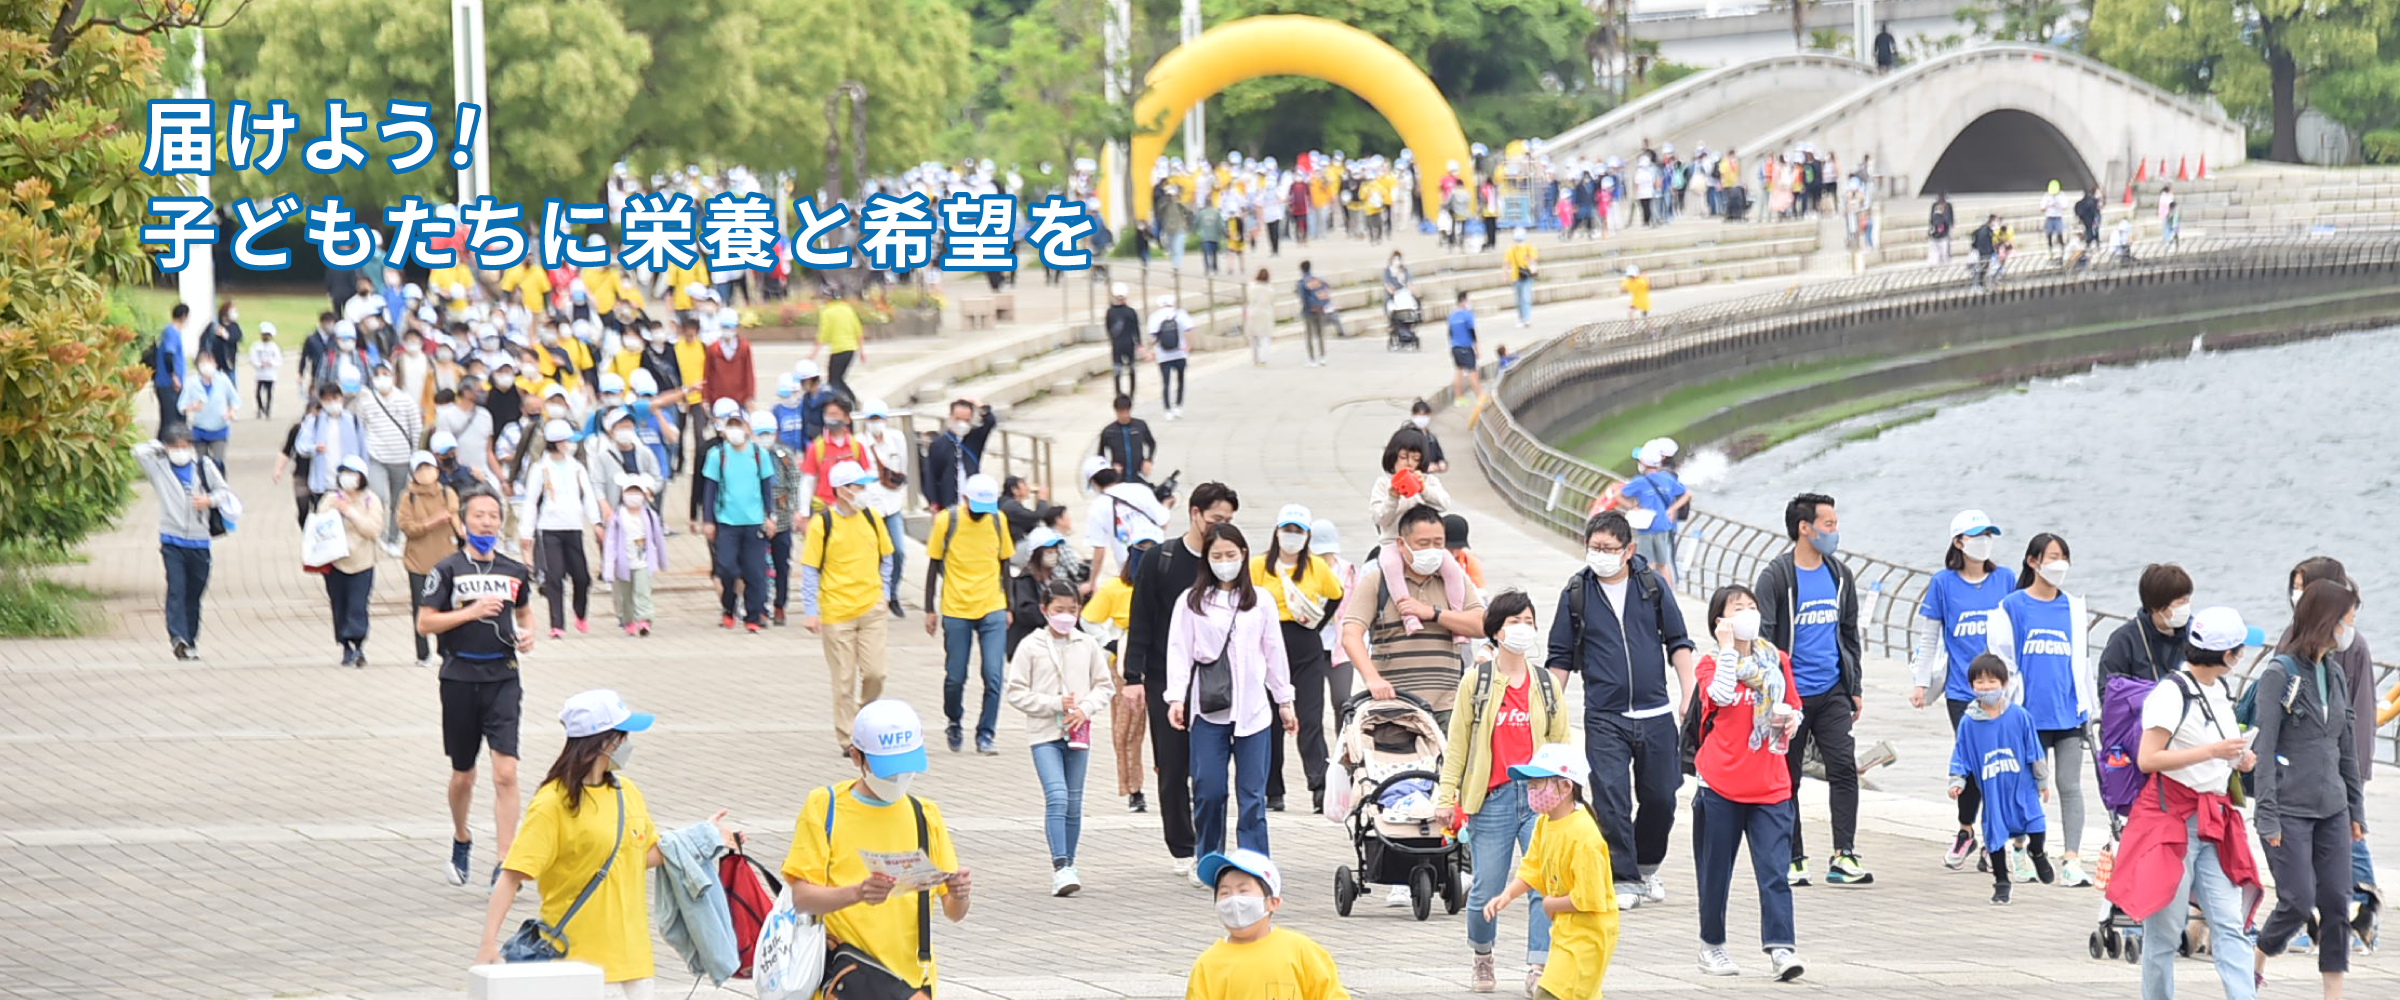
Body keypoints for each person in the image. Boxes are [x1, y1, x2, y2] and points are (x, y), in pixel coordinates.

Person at [475, 689, 741, 997]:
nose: (627, 744)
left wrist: (707, 838)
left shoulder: (626, 792)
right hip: (579, 966)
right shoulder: (552, 803)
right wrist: (487, 944)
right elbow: (512, 875)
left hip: (636, 964)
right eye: (623, 735)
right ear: (603, 741)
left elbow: (641, 855)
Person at [2106, 606, 2262, 1000]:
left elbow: (2214, 752)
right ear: (2227, 655)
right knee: (2164, 929)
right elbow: (2149, 759)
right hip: (2170, 823)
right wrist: (2213, 751)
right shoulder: (2170, 693)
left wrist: (2237, 759)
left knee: (2229, 923)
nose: (2242, 655)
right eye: (2240, 649)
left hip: (2214, 819)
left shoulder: (2218, 690)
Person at [778, 700, 974, 999]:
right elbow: (802, 898)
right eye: (888, 769)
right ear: (857, 757)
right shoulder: (825, 807)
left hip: (909, 984)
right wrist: (857, 893)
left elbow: (953, 911)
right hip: (845, 981)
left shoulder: (925, 815)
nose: (897, 778)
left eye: (906, 766)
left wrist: (960, 894)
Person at [1548, 509, 1695, 910]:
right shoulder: (1576, 592)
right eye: (1593, 548)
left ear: (1628, 550)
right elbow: (1559, 657)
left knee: (1662, 797)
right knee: (1611, 797)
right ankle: (1623, 877)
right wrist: (1551, 708)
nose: (1599, 555)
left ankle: (1647, 866)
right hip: (1604, 714)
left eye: (1608, 548)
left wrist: (1689, 692)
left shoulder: (1652, 586)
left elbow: (1679, 642)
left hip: (1655, 713)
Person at [1438, 590, 1571, 994]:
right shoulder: (1476, 682)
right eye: (1514, 621)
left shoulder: (1546, 684)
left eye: (1528, 620)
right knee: (1485, 891)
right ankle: (1482, 955)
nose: (1523, 628)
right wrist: (1447, 798)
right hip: (1491, 799)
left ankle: (1538, 965)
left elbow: (1560, 741)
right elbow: (1458, 743)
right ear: (1496, 630)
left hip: (1539, 801)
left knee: (1544, 884)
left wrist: (1568, 796)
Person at [2251, 581, 2367, 996]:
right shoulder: (2279, 674)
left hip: (2333, 808)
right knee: (2297, 901)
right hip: (2288, 809)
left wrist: (2356, 812)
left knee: (2337, 902)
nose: (2351, 626)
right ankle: (2258, 957)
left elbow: (2347, 749)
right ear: (2327, 620)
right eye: (2348, 617)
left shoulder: (2333, 673)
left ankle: (2332, 992)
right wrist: (2267, 815)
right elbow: (2263, 751)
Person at [1752, 492, 1869, 887]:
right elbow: (1764, 639)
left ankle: (1844, 856)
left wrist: (1854, 686)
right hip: (1790, 697)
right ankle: (1793, 858)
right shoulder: (1776, 577)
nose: (1835, 532)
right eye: (1829, 524)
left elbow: (1849, 633)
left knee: (1843, 768)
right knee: (1787, 778)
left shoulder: (1839, 575)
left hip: (1833, 690)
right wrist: (1773, 695)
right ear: (1806, 528)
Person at [421, 491, 537, 887]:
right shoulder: (448, 569)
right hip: (458, 679)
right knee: (464, 776)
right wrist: (471, 611)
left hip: (503, 677)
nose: (486, 522)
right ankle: (462, 836)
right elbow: (425, 623)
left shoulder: (515, 571)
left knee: (506, 773)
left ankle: (506, 862)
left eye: (493, 516)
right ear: (464, 522)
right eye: (478, 515)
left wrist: (529, 634)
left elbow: (524, 612)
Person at [1690, 584, 1806, 980]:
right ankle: (1712, 946)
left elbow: (1794, 705)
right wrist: (1727, 649)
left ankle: (1781, 948)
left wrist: (1792, 719)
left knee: (1775, 870)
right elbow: (1719, 696)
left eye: (1751, 607)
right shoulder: (1709, 665)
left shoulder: (1777, 661)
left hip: (1770, 784)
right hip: (1721, 784)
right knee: (1715, 871)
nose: (1748, 614)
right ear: (1719, 620)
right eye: (1737, 608)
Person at [1125, 481, 1239, 876]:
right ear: (1194, 514)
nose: (1220, 527)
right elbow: (1140, 619)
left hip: (1216, 681)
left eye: (1227, 520)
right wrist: (1132, 676)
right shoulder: (1162, 558)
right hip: (1164, 678)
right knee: (1172, 767)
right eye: (1215, 519)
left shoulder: (1224, 561)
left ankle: (1211, 846)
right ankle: (1182, 847)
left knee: (1210, 770)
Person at [1166, 523, 1298, 862]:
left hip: (1253, 711)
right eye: (1217, 555)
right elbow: (1179, 650)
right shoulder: (1192, 602)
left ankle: (1255, 862)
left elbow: (1273, 652)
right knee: (1209, 789)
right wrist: (1176, 697)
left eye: (1231, 554)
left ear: (1243, 555)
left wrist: (1284, 699)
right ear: (1206, 559)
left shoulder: (1261, 601)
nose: (1224, 561)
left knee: (1252, 795)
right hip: (1209, 709)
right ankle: (1208, 856)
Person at [1982, 531, 2095, 886]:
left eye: (2064, 556)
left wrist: (2089, 707)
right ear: (2033, 562)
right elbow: (2001, 661)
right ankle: (2020, 847)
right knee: (2024, 786)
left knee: (2069, 785)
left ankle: (2072, 859)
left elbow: (2083, 661)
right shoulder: (2011, 607)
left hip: (2068, 714)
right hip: (2027, 715)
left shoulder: (2074, 608)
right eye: (2052, 556)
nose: (2059, 564)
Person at [1908, 509, 2012, 870]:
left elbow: (2018, 631)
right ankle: (1967, 831)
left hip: (2002, 691)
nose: (1984, 541)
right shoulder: (1943, 583)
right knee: (1972, 761)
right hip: (1961, 691)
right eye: (1976, 535)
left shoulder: (2006, 580)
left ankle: (1993, 839)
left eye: (1988, 534)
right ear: (1959, 542)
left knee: (1998, 764)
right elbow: (1930, 635)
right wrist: (1921, 683)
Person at [1480, 742, 1622, 1000]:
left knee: (1549, 994)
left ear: (1566, 787)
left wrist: (1551, 904)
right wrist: (1506, 896)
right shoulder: (1545, 822)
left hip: (1588, 936)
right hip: (1565, 931)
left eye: (1538, 783)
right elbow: (1532, 866)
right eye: (1530, 784)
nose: (1531, 790)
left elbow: (1589, 898)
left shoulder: (1584, 836)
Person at [1004, 579, 1117, 896]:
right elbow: (1016, 692)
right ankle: (1060, 865)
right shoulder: (1031, 646)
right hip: (1044, 734)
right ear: (1044, 610)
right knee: (1057, 795)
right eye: (1059, 610)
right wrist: (1052, 704)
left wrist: (1084, 709)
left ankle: (1071, 862)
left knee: (1074, 801)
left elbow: (1103, 685)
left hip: (1078, 733)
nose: (1066, 615)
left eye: (1072, 609)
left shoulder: (1087, 644)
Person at [1344, 504, 1485, 723]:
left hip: (1446, 708)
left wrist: (1433, 613)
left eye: (1438, 543)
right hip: (1392, 707)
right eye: (1423, 543)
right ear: (1401, 544)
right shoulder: (1377, 582)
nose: (1432, 549)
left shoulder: (1454, 582)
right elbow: (1350, 635)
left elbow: (1481, 625)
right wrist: (1372, 679)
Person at [1252, 506, 1347, 813]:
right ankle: (1272, 790)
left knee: (1309, 717)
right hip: (1267, 644)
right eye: (1287, 530)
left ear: (1307, 536)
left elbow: (1336, 594)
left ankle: (1319, 786)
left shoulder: (1316, 567)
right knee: (1269, 719)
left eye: (1298, 531)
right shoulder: (1257, 566)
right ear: (1277, 530)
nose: (1291, 537)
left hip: (1304, 644)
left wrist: (1316, 626)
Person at [802, 460, 897, 752]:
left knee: (875, 674)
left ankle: (860, 714)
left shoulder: (871, 518)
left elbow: (887, 556)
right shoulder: (823, 524)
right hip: (836, 612)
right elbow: (810, 569)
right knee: (843, 679)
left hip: (871, 607)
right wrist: (811, 611)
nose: (863, 491)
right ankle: (847, 738)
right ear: (842, 490)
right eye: (858, 486)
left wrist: (885, 592)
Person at [1949, 654, 2055, 904]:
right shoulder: (1968, 723)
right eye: (1980, 682)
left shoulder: (2020, 716)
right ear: (1971, 686)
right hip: (1993, 790)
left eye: (1992, 681)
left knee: (2036, 824)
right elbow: (1961, 755)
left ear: (2005, 683)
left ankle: (2037, 852)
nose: (1986, 687)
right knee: (1994, 835)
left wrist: (2042, 781)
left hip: (2022, 785)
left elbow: (2034, 751)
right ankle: (2001, 881)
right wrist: (1957, 781)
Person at [926, 473, 1016, 755]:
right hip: (956, 608)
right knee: (955, 676)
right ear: (965, 500)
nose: (981, 515)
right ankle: (954, 720)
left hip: (992, 606)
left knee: (993, 674)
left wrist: (1009, 605)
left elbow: (1005, 564)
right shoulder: (947, 521)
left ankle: (986, 733)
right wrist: (929, 608)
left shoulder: (998, 520)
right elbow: (933, 565)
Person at [134, 432, 241, 662]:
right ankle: (177, 637)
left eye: (184, 446)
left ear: (191, 446)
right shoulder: (159, 467)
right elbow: (138, 451)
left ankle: (191, 641)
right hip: (172, 540)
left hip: (200, 540)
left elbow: (223, 491)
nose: (180, 451)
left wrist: (208, 500)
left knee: (194, 592)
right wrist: (160, 447)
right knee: (176, 589)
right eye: (175, 447)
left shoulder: (203, 466)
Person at [1189, 850, 1350, 1000]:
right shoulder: (1208, 964)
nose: (1234, 900)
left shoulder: (1301, 951)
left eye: (1243, 890)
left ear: (1272, 902)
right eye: (1225, 893)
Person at [523, 419, 603, 638]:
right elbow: (531, 501)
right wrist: (526, 533)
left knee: (582, 576)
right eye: (566, 440)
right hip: (549, 527)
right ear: (556, 442)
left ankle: (580, 612)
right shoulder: (540, 468)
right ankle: (556, 624)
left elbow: (587, 495)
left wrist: (596, 522)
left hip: (574, 527)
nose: (569, 444)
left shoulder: (577, 468)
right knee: (554, 576)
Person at [701, 406, 776, 632]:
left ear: (747, 428)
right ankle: (728, 606)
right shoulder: (718, 455)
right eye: (730, 425)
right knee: (726, 568)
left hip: (753, 521)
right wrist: (708, 520)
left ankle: (753, 616)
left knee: (755, 572)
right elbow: (710, 490)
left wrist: (769, 516)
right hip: (727, 522)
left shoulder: (758, 454)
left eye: (738, 425)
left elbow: (766, 487)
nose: (735, 430)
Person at [317, 456, 383, 667]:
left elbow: (373, 529)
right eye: (344, 473)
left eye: (352, 474)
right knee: (340, 603)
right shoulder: (330, 498)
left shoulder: (371, 500)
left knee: (358, 604)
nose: (348, 478)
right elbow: (319, 525)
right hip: (335, 561)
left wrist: (350, 512)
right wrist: (335, 510)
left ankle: (358, 644)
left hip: (362, 561)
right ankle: (345, 645)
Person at [399, 451, 462, 668]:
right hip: (418, 561)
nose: (425, 473)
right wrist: (431, 522)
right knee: (421, 607)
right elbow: (407, 527)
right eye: (420, 469)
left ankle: (447, 649)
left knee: (447, 607)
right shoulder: (408, 497)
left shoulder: (446, 493)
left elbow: (455, 516)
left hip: (446, 560)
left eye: (429, 468)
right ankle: (422, 653)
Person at [853, 398, 911, 618]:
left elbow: (903, 467)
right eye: (872, 419)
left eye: (879, 419)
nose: (876, 423)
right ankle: (872, 596)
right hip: (869, 504)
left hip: (892, 502)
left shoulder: (896, 439)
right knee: (870, 553)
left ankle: (892, 593)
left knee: (898, 551)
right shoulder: (859, 442)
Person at [600, 474, 665, 637]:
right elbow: (610, 544)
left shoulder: (650, 516)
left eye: (637, 492)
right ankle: (628, 620)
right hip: (623, 563)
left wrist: (662, 561)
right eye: (630, 492)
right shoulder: (617, 518)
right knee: (625, 594)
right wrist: (607, 569)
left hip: (643, 560)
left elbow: (658, 539)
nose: (634, 496)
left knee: (642, 591)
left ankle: (645, 619)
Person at [1618, 439, 1689, 589]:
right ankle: (1669, 592)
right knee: (1664, 564)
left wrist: (1631, 507)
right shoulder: (1667, 479)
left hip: (1646, 527)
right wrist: (1672, 509)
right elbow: (1686, 494)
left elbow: (1618, 495)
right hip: (1664, 526)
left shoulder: (1640, 481)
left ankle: (1650, 593)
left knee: (1648, 563)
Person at [1369, 430, 1453, 546]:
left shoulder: (1428, 480)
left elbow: (1444, 504)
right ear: (1393, 457)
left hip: (1425, 545)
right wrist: (1392, 498)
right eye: (1403, 457)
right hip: (1393, 543)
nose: (1409, 463)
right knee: (1390, 563)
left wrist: (1423, 489)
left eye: (1416, 459)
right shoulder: (1383, 483)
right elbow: (1380, 519)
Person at [922, 397, 995, 512]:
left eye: (966, 420)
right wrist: (934, 503)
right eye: (958, 419)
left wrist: (980, 406)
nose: (961, 423)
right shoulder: (938, 444)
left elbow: (990, 422)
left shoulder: (975, 438)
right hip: (949, 502)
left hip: (973, 502)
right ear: (950, 417)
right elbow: (931, 476)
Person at [175, 350, 238, 468]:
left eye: (209, 361)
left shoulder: (222, 380)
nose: (207, 365)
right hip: (199, 430)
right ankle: (203, 485)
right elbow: (181, 406)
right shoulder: (192, 383)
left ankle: (220, 484)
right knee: (201, 463)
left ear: (215, 363)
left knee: (218, 462)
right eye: (203, 362)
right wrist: (192, 407)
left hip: (219, 428)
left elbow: (235, 400)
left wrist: (231, 412)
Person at [1148, 294, 1194, 419]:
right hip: (1180, 353)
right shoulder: (1181, 314)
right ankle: (1178, 406)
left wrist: (1151, 351)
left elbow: (1153, 337)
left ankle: (1167, 410)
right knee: (1180, 381)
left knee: (1166, 383)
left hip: (1163, 356)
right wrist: (1188, 346)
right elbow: (1188, 331)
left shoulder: (1155, 316)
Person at [1097, 394, 1158, 484]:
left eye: (1126, 411)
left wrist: (1148, 460)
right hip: (1119, 479)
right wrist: (1110, 468)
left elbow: (1152, 444)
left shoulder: (1140, 426)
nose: (1124, 415)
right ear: (1116, 411)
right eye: (1121, 412)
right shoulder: (1109, 431)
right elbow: (1100, 456)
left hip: (1138, 475)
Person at [151, 302, 190, 439]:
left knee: (174, 418)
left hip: (170, 383)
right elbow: (169, 356)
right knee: (170, 420)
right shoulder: (171, 332)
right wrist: (174, 377)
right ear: (184, 316)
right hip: (168, 383)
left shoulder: (171, 332)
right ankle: (163, 448)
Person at [815, 291, 865, 395]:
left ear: (829, 299)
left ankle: (851, 401)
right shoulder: (848, 309)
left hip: (838, 350)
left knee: (834, 381)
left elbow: (824, 334)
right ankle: (847, 401)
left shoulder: (827, 312)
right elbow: (858, 330)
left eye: (824, 298)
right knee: (837, 379)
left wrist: (813, 353)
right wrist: (861, 352)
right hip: (851, 350)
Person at [1297, 261, 1339, 367]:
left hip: (1309, 311)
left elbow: (1302, 297)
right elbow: (1327, 288)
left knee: (1309, 335)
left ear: (1301, 269)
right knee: (1320, 334)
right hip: (1320, 309)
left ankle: (1312, 359)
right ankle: (1322, 357)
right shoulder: (1318, 280)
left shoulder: (1302, 282)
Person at [1105, 283, 1142, 399]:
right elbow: (1136, 329)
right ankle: (1132, 392)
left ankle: (1118, 392)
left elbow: (1108, 327)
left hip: (1117, 343)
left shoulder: (1110, 312)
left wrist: (1112, 339)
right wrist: (1139, 343)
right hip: (1129, 342)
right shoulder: (1131, 311)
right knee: (1131, 368)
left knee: (1117, 369)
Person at [1446, 291, 1483, 403]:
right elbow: (1472, 332)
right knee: (1472, 372)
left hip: (1455, 347)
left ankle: (1458, 398)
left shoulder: (1451, 316)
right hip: (1466, 347)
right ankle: (1480, 397)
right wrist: (1476, 348)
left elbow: (1450, 333)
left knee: (1458, 371)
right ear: (1463, 301)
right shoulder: (1467, 315)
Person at [1503, 229, 1538, 329]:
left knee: (1526, 298)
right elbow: (1506, 263)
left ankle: (1526, 318)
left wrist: (1529, 260)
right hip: (1515, 277)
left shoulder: (1528, 247)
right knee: (1519, 299)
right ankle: (1520, 318)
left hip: (1526, 276)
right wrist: (1505, 276)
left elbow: (1534, 259)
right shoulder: (1511, 250)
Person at [249, 322, 283, 419]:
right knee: (258, 393)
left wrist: (271, 363)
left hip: (270, 374)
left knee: (269, 392)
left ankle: (268, 409)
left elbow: (279, 360)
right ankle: (260, 408)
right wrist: (259, 364)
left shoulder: (274, 347)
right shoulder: (256, 346)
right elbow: (252, 358)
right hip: (260, 373)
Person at [1245, 267, 1276, 366]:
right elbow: (1272, 300)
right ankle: (1263, 359)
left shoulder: (1251, 286)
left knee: (1254, 337)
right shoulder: (1270, 288)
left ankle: (1255, 358)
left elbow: (1248, 297)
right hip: (1265, 312)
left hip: (1253, 311)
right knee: (1265, 337)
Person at [1619, 266, 1651, 332]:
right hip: (1635, 301)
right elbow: (1622, 287)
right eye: (1630, 276)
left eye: (1633, 276)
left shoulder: (1640, 281)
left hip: (1643, 301)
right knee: (1630, 312)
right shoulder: (1628, 281)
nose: (1632, 277)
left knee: (1645, 318)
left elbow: (1647, 286)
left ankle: (1652, 331)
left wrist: (1646, 279)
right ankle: (1633, 327)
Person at [1928, 193, 1955, 266]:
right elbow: (1931, 218)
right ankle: (1934, 262)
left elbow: (1950, 216)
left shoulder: (1947, 206)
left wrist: (1951, 222)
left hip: (1944, 232)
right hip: (1936, 233)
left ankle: (1944, 261)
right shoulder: (1935, 206)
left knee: (1945, 249)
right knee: (1935, 250)